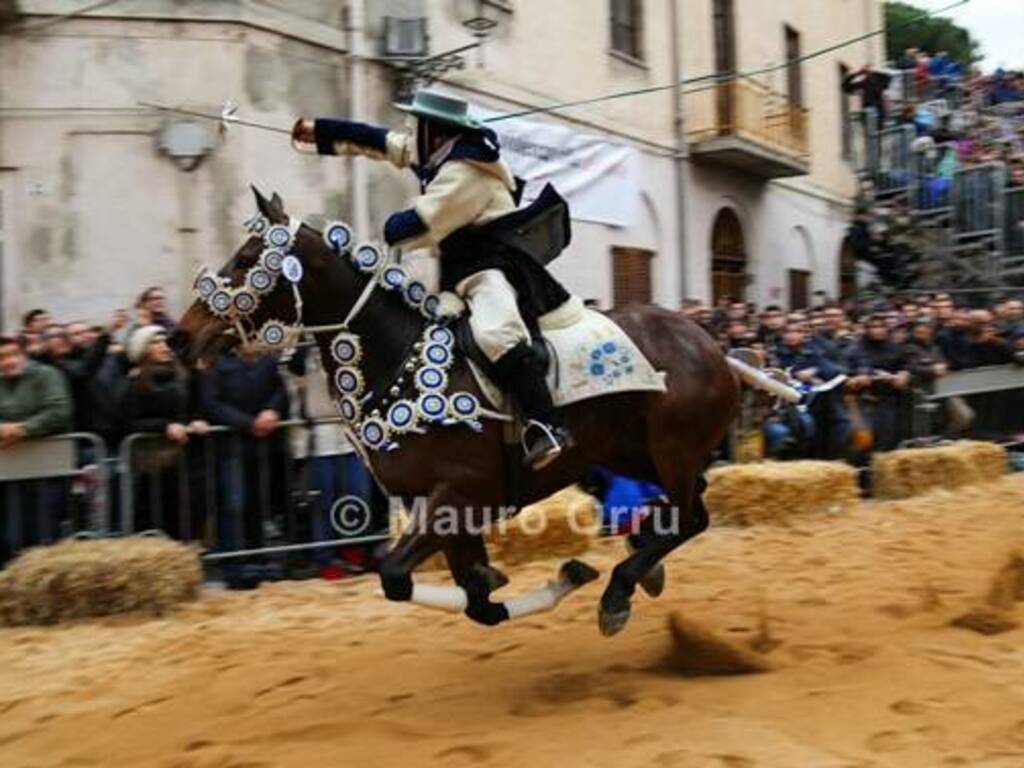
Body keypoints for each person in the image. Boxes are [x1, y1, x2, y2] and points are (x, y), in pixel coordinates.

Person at [291, 89, 574, 470]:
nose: (409, 131)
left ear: (434, 132)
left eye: (415, 124)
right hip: (459, 273)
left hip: (491, 268)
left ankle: (546, 424)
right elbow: (380, 141)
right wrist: (318, 132)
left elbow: (422, 223)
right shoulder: (442, 155)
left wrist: (387, 228)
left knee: (495, 334)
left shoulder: (466, 172)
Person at [120, 325, 209, 538]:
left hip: (187, 458)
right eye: (155, 342)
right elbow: (128, 422)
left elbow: (195, 405)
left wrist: (196, 420)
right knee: (154, 516)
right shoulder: (134, 383)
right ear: (143, 350)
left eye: (163, 341)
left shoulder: (184, 375)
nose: (163, 345)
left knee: (188, 515)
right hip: (154, 462)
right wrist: (164, 426)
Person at [0, 335, 73, 565]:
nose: (8, 361)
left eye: (13, 355)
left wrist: (23, 429)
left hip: (44, 470)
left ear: (24, 355)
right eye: (2, 358)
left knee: (42, 533)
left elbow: (59, 411)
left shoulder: (46, 375)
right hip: (7, 471)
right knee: (8, 536)